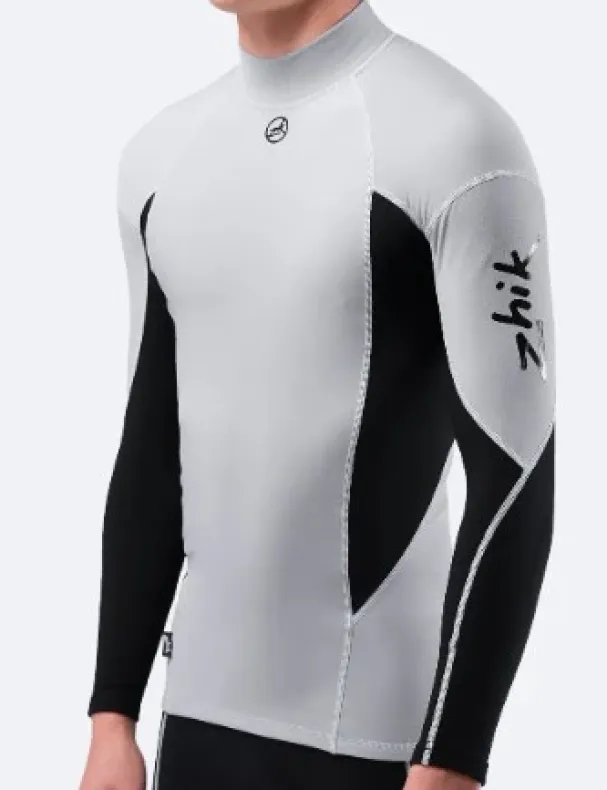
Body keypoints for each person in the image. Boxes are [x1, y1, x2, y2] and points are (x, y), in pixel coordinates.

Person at [79, 1, 556, 789]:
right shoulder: (159, 157)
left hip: (377, 749)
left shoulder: (456, 140)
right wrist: (111, 719)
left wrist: (451, 759)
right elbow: (152, 452)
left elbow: (515, 475)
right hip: (191, 731)